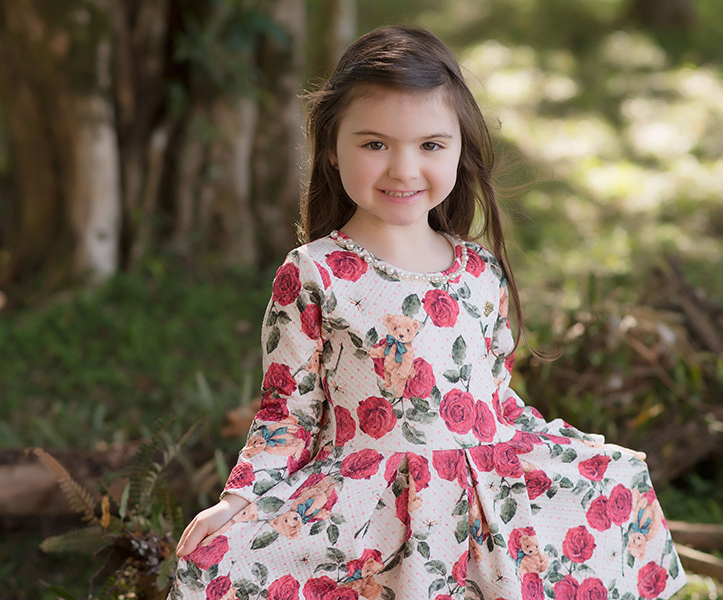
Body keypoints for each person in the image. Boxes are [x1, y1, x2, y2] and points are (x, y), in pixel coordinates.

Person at [168, 25, 685, 600]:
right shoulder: (316, 273)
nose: (404, 169)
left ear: (460, 149)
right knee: (218, 565)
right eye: (375, 144)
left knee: (617, 484)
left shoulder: (479, 271)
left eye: (430, 146)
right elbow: (288, 413)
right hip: (369, 506)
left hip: (479, 503)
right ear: (331, 149)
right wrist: (237, 500)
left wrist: (578, 453)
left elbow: (495, 402)